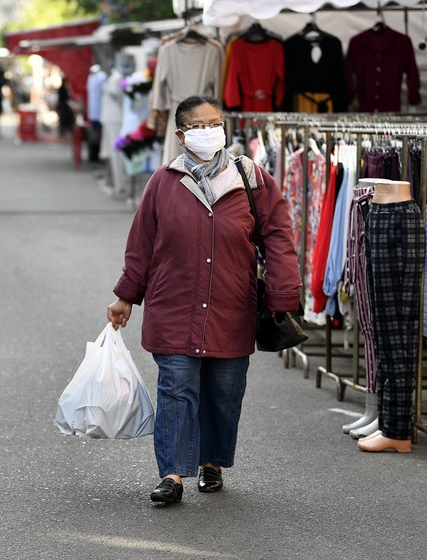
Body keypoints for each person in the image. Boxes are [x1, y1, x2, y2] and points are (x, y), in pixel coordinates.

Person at [107, 95, 300, 505]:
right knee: (177, 388)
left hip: (232, 305)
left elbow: (279, 237)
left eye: (215, 123)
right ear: (181, 135)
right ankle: (172, 474)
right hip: (173, 305)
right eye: (198, 125)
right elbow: (141, 244)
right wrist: (126, 295)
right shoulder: (163, 181)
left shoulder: (252, 178)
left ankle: (211, 462)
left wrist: (283, 293)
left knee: (223, 391)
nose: (209, 131)